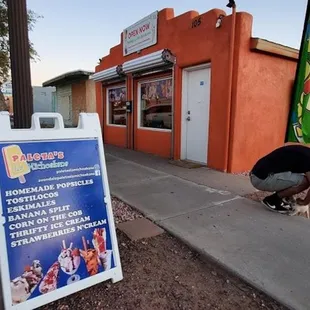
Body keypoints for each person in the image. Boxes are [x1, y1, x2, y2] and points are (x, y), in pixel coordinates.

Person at [250, 144, 310, 213]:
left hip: (257, 174)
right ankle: (272, 200)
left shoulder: (306, 153)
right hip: (261, 179)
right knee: (305, 182)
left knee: (301, 175)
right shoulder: (308, 159)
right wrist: (305, 202)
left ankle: (286, 198)